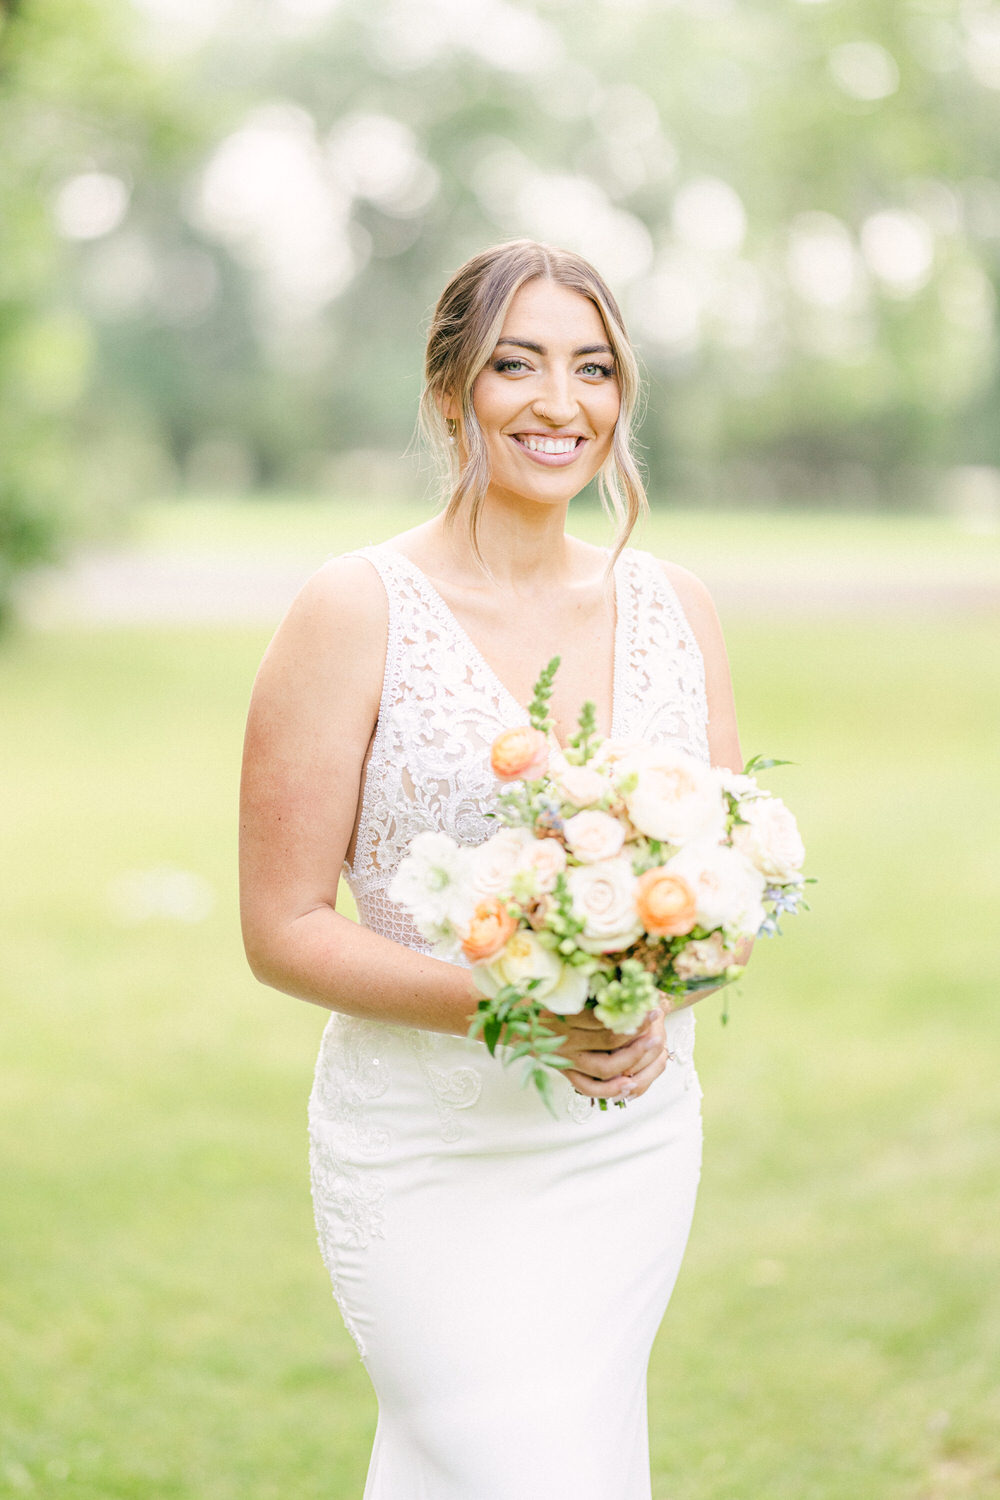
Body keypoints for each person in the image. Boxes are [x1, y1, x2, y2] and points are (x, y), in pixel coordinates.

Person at [239, 239, 750, 1500]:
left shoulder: (677, 608)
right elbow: (282, 924)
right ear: (449, 388)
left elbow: (727, 892)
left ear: (621, 396)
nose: (558, 402)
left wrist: (653, 1002)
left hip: (618, 1146)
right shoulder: (353, 608)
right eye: (516, 364)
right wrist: (523, 1008)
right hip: (426, 1150)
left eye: (592, 368)